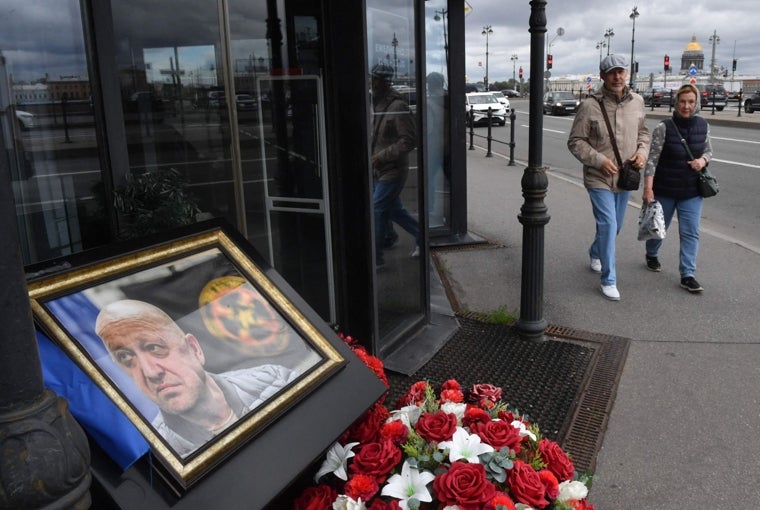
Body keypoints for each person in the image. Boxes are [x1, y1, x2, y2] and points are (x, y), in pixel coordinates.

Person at [94, 299, 296, 457]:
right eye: (125, 358)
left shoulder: (275, 380)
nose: (150, 372)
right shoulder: (156, 451)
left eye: (154, 347)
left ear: (194, 349)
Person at [568, 54, 650, 301]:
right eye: (612, 72)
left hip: (626, 176)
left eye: (621, 72)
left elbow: (643, 134)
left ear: (627, 74)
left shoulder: (637, 102)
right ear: (602, 75)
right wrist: (599, 160)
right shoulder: (589, 105)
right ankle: (609, 279)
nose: (617, 77)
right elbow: (575, 141)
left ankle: (595, 252)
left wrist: (642, 153)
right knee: (608, 223)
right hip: (598, 177)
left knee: (617, 225)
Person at [641, 84, 712, 293]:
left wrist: (702, 161)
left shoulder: (703, 125)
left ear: (696, 103)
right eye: (682, 101)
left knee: (691, 233)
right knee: (659, 230)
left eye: (691, 102)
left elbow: (709, 151)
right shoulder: (664, 127)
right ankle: (651, 254)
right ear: (676, 103)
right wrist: (648, 188)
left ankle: (687, 275)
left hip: (692, 191)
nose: (686, 106)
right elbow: (652, 159)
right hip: (665, 189)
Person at [370, 63, 419, 269]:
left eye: (374, 79)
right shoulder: (377, 103)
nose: (371, 82)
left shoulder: (397, 106)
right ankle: (422, 236)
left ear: (383, 81)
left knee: (377, 209)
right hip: (380, 168)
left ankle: (376, 258)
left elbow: (408, 140)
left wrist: (381, 156)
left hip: (393, 170)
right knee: (394, 210)